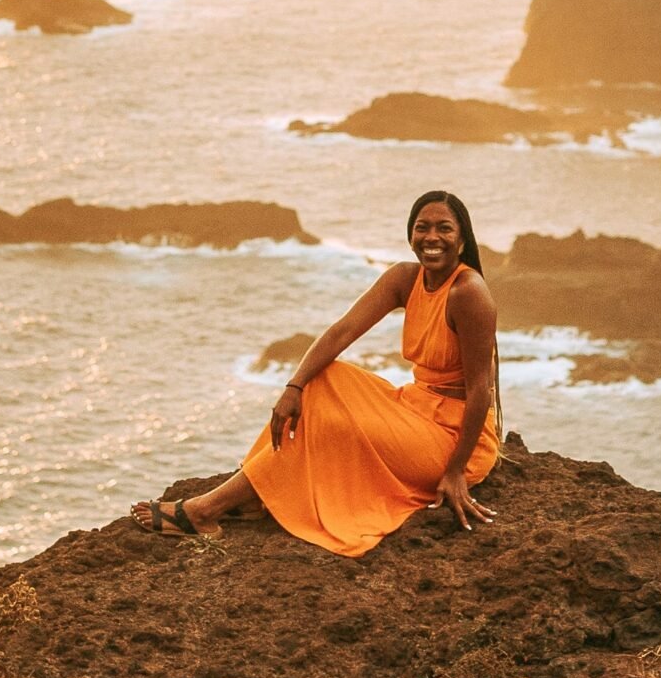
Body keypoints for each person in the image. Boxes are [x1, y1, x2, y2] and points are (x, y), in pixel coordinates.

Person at [132, 189, 501, 553]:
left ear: (462, 239)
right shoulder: (405, 278)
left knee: (326, 424)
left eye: (444, 229)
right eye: (422, 228)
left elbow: (481, 389)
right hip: (415, 407)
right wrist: (293, 387)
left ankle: (204, 510)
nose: (432, 238)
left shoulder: (468, 292)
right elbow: (342, 331)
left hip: (452, 437)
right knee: (325, 376)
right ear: (410, 235)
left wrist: (454, 472)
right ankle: (255, 492)